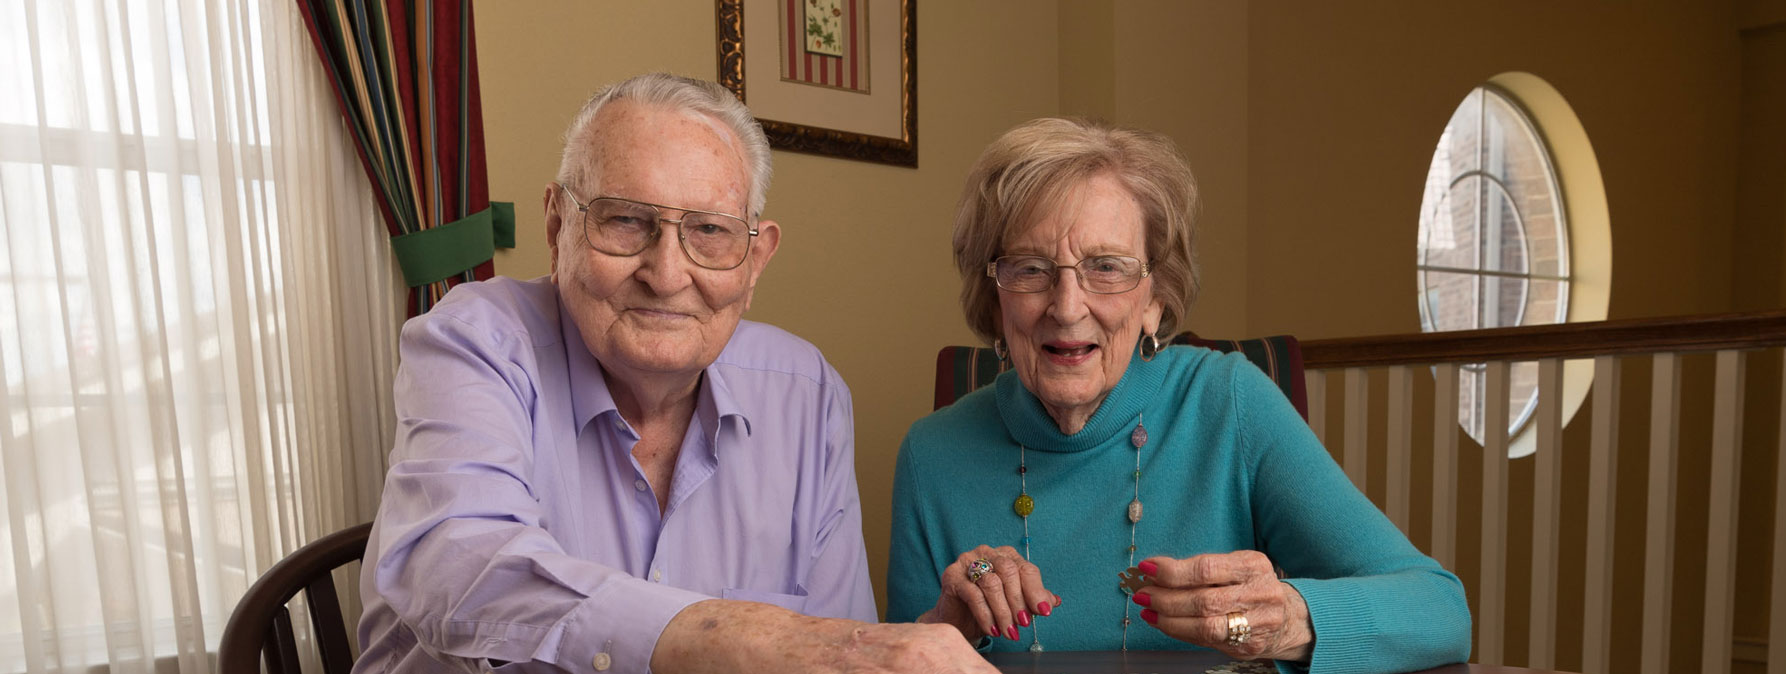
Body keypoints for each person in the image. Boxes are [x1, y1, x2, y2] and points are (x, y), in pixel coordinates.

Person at [355, 73, 992, 674]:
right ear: (557, 228)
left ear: (755, 259)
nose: (665, 275)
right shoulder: (476, 340)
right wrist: (748, 638)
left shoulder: (808, 393)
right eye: (626, 221)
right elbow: (461, 570)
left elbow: (833, 644)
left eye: (710, 231)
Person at [885, 117, 1471, 673]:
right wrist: (947, 624)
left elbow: (1441, 609)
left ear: (1156, 301)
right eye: (1031, 269)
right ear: (994, 301)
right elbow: (895, 659)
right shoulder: (930, 454)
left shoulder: (1230, 403)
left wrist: (1288, 618)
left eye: (1107, 267)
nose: (1066, 307)